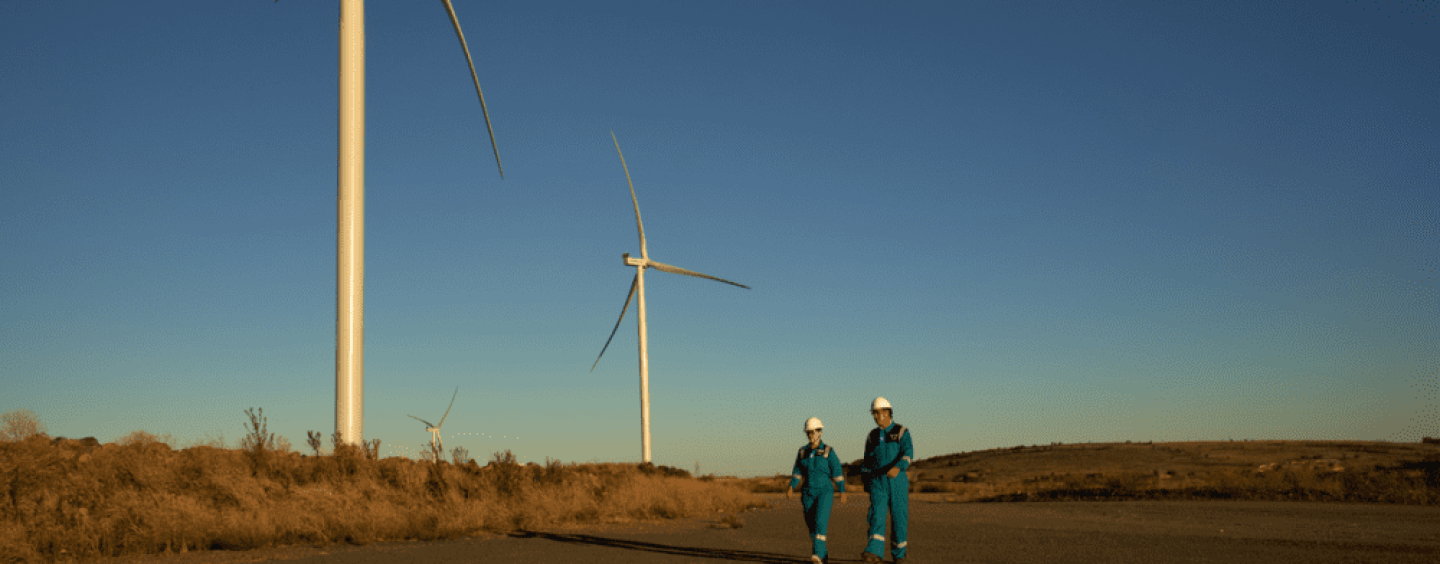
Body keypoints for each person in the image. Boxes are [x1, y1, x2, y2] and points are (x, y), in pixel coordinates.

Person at [787, 417, 847, 564]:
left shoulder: (828, 451)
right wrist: (791, 487)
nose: (811, 435)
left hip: (824, 492)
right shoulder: (802, 452)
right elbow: (797, 471)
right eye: (808, 432)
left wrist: (842, 490)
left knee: (821, 521)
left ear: (820, 432)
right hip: (807, 493)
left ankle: (817, 555)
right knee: (812, 525)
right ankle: (823, 554)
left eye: (814, 432)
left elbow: (837, 472)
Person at [860, 397, 913, 563]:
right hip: (877, 483)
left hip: (897, 482)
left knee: (899, 518)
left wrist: (898, 467)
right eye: (873, 413)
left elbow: (908, 453)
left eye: (877, 413)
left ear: (887, 412)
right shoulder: (872, 436)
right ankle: (874, 552)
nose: (875, 416)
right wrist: (866, 480)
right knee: (876, 516)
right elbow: (867, 461)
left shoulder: (901, 431)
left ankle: (899, 555)